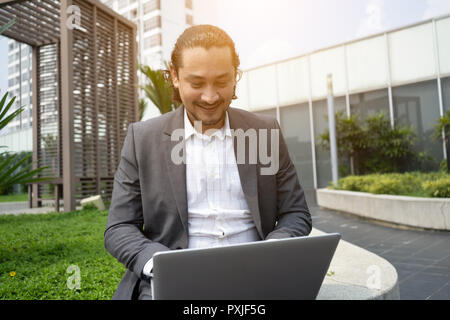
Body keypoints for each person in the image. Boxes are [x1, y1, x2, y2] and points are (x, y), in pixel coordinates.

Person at [104, 24, 312, 300]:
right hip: (174, 283)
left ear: (236, 77)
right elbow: (119, 227)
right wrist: (160, 264)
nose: (211, 97)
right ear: (175, 77)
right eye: (197, 83)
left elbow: (295, 213)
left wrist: (273, 250)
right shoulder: (142, 139)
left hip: (257, 280)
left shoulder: (264, 132)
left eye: (222, 81)